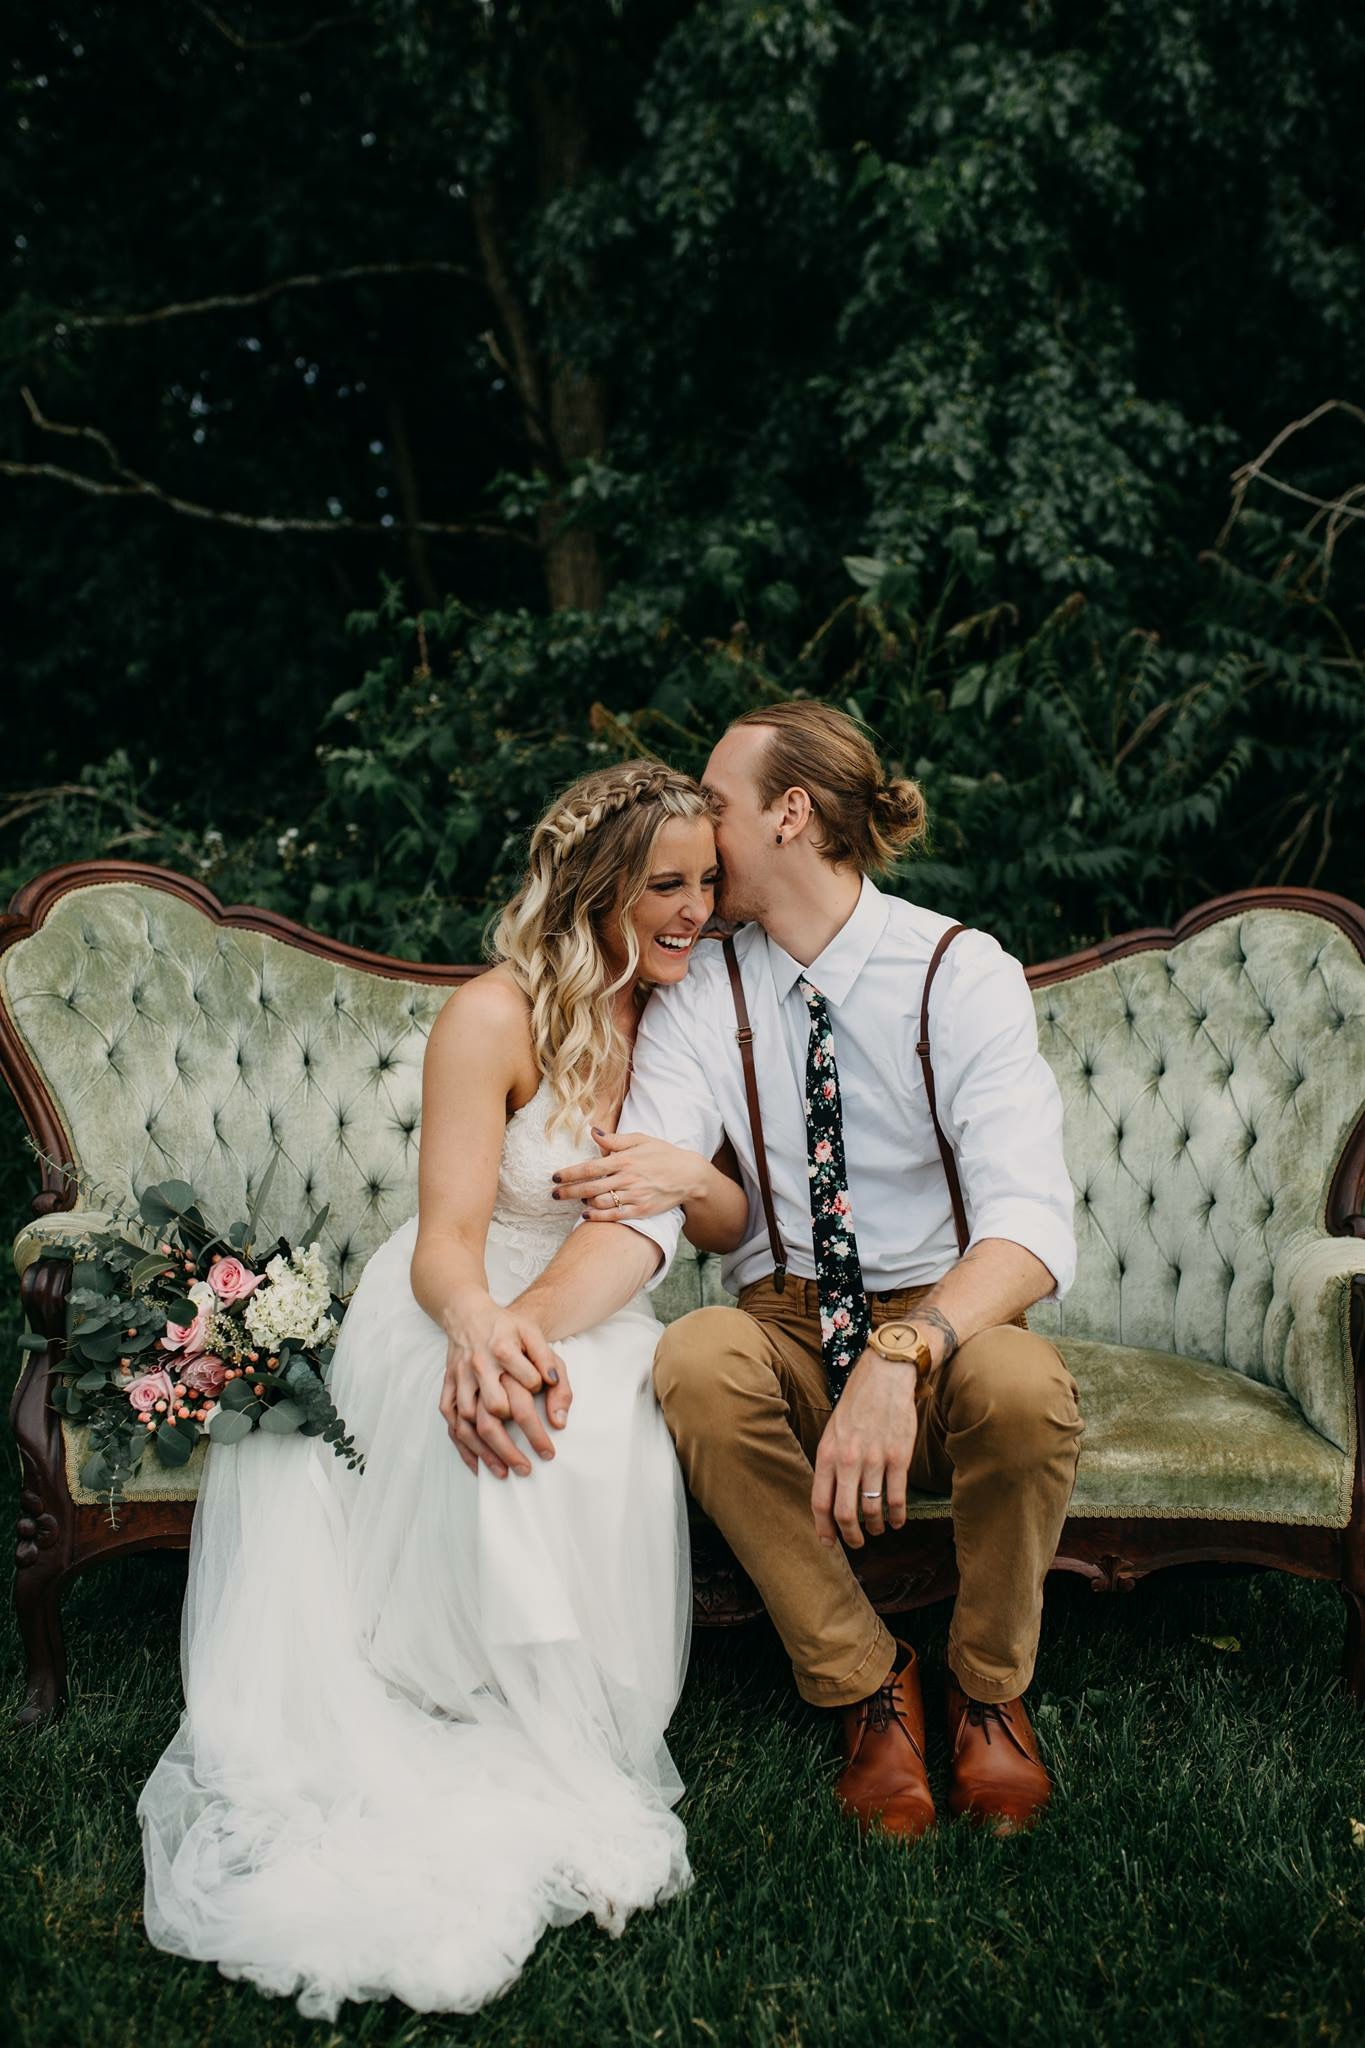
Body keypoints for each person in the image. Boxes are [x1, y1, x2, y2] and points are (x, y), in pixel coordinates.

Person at [136, 760, 747, 2021]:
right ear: (595, 890)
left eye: (706, 883)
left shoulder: (696, 1014)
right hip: (448, 1304)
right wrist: (479, 1333)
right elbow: (444, 1235)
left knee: (588, 1414)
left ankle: (558, 1700)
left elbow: (738, 1218)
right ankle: (462, 1682)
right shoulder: (494, 1014)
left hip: (605, 1312)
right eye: (664, 886)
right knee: (511, 1415)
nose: (693, 909)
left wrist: (688, 1174)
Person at [454, 702, 1086, 1842]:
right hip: (785, 1323)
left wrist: (905, 1352)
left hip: (946, 1321)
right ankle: (866, 1686)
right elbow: (646, 1206)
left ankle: (989, 1693)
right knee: (694, 1355)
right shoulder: (699, 988)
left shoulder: (959, 970)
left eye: (720, 802)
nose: (698, 826)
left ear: (791, 813)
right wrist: (521, 1328)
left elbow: (1032, 1225)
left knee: (1028, 1390)